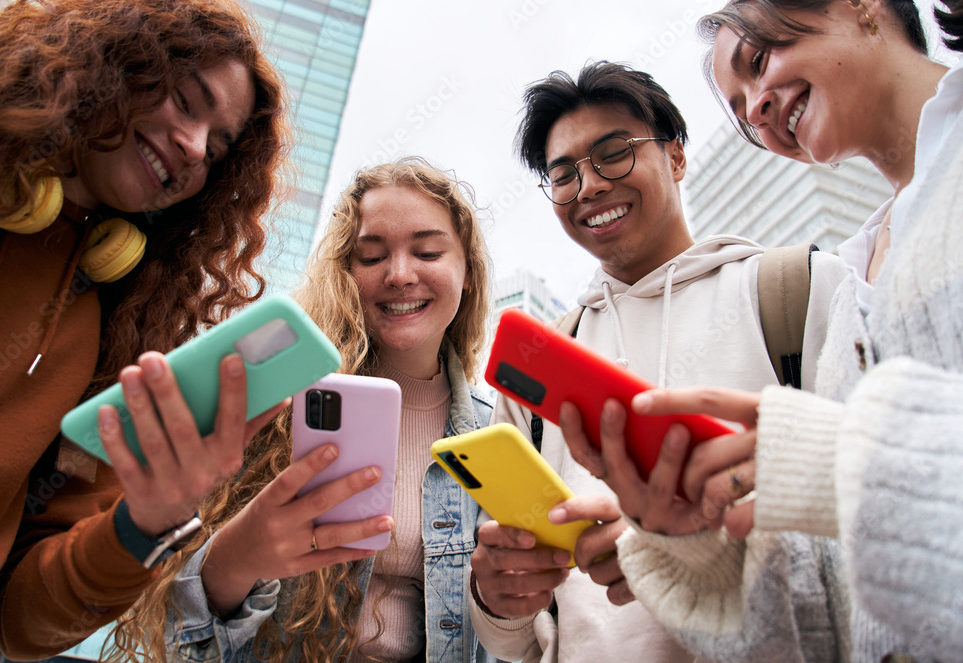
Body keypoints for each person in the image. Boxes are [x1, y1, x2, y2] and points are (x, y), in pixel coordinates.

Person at [578, 2, 963, 662]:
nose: (755, 108)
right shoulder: (851, 286)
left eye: (755, 63)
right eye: (739, 106)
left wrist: (846, 460)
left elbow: (855, 474)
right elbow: (827, 620)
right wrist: (695, 538)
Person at [467, 61, 847, 663]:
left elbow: (882, 508)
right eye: (563, 175)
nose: (588, 186)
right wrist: (496, 600)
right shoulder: (538, 366)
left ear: (675, 158)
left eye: (613, 153)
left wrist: (682, 545)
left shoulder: (795, 293)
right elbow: (513, 637)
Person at [114, 158, 500, 663]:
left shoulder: (497, 431)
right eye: (371, 256)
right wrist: (240, 554)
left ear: (467, 273)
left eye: (427, 251)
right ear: (344, 273)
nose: (401, 275)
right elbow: (176, 626)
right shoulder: (276, 399)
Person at [0, 0, 288, 657]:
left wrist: (142, 524)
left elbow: (22, 620)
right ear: (115, 62)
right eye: (185, 100)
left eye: (215, 150)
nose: (192, 147)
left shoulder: (117, 330)